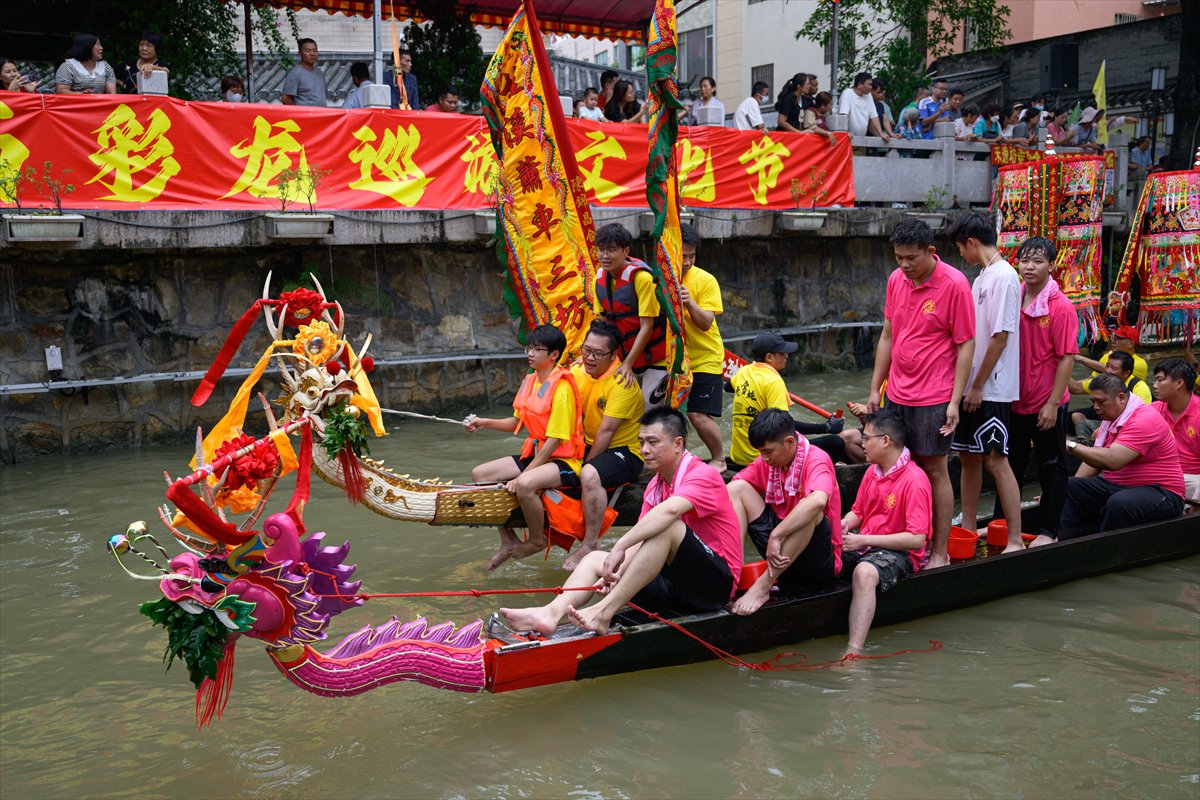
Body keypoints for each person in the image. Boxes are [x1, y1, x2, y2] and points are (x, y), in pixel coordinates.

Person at [499, 408, 741, 636]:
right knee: (595, 559)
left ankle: (603, 613)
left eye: (653, 442)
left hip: (715, 587)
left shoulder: (703, 475)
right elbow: (643, 538)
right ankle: (551, 613)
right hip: (675, 584)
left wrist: (620, 547)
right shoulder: (656, 485)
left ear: (678, 444)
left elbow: (668, 514)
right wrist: (617, 570)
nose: (645, 449)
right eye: (641, 442)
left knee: (669, 526)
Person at [869, 218, 975, 569]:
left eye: (911, 258)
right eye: (898, 257)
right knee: (897, 467)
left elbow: (965, 345)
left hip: (934, 396)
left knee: (934, 469)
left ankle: (940, 552)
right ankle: (909, 542)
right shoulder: (896, 280)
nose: (904, 265)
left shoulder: (954, 285)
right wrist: (874, 388)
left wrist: (955, 401)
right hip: (897, 392)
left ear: (931, 251)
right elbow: (888, 335)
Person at [465, 323, 584, 570]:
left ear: (553, 354)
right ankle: (508, 539)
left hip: (564, 461)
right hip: (538, 454)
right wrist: (484, 422)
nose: (530, 353)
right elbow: (517, 422)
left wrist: (526, 474)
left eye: (537, 349)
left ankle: (537, 540)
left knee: (525, 484)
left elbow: (554, 441)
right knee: (480, 474)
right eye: (529, 348)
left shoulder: (562, 388)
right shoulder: (530, 380)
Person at [947, 211, 1024, 552]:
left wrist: (977, 385)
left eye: (960, 248)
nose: (960, 255)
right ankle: (967, 527)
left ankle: (1015, 538)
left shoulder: (1005, 276)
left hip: (991, 385)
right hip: (972, 383)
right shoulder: (981, 278)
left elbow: (1001, 336)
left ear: (971, 242)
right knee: (968, 457)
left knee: (995, 460)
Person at [1034, 373, 1184, 543]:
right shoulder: (1110, 417)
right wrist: (1059, 493)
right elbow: (1095, 461)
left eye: (1101, 401)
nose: (1096, 407)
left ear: (1121, 398)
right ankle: (1059, 540)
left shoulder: (1144, 419)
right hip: (1117, 487)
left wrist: (1069, 445)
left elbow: (1112, 461)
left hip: (1163, 493)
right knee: (1066, 486)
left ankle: (1102, 547)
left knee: (1120, 503)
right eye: (1093, 402)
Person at [727, 409, 843, 615]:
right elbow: (732, 488)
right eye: (760, 452)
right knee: (735, 489)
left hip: (817, 560)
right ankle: (731, 578)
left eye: (768, 451)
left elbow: (818, 501)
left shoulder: (817, 459)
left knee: (811, 510)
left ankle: (762, 586)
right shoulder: (769, 463)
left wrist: (777, 534)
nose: (763, 458)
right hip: (779, 553)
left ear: (790, 442)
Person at [839, 411, 933, 657]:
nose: (861, 444)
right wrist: (842, 526)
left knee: (864, 572)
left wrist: (862, 539)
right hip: (867, 545)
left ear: (885, 441)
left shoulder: (915, 480)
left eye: (866, 438)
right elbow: (858, 511)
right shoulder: (872, 471)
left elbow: (916, 539)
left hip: (901, 554)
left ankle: (854, 650)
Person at [1007, 236, 1078, 542]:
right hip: (1015, 399)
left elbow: (1066, 358)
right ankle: (1002, 524)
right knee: (1010, 464)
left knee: (1052, 465)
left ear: (1052, 265)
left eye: (1038, 261)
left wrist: (1051, 404)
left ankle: (1050, 529)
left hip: (1048, 401)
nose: (1030, 267)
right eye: (1025, 260)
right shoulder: (1013, 296)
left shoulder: (1060, 306)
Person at [561, 321, 646, 570]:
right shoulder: (578, 371)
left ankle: (590, 542)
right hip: (588, 443)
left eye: (598, 353)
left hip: (625, 452)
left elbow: (606, 432)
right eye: (586, 350)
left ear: (614, 355)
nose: (590, 357)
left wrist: (583, 467)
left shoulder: (622, 383)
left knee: (588, 473)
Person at [592, 223, 669, 409]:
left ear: (625, 251)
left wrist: (627, 364)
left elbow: (646, 327)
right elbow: (602, 324)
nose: (604, 255)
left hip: (655, 357)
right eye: (601, 250)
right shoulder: (599, 278)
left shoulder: (641, 278)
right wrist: (591, 353)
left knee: (650, 408)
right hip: (622, 356)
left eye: (611, 250)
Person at [678, 223, 726, 470]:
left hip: (705, 356)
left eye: (691, 256)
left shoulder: (706, 280)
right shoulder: (660, 277)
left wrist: (688, 302)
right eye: (682, 255)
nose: (687, 261)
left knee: (697, 414)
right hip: (674, 360)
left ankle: (719, 458)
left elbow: (706, 322)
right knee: (669, 414)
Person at [729, 331, 797, 473]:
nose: (786, 356)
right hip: (760, 460)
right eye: (782, 353)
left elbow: (728, 386)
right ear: (769, 357)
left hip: (738, 457)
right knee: (836, 443)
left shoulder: (744, 372)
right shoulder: (773, 381)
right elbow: (783, 427)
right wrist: (825, 427)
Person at [1070, 350, 1154, 442]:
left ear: (1126, 373)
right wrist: (1060, 366)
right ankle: (1087, 447)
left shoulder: (1140, 387)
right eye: (1107, 366)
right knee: (1079, 419)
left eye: (1113, 368)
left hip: (1128, 426)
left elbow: (1141, 418)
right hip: (1108, 419)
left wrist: (1103, 429)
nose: (1108, 370)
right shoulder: (1103, 381)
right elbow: (1076, 388)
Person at [1151, 359, 1200, 506]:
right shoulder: (1152, 410)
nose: (1154, 386)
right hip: (1160, 473)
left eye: (1160, 380)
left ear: (1179, 383)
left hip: (1193, 477)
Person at [1077, 324, 1148, 382]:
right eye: (1114, 337)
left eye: (1119, 338)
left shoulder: (1140, 364)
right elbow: (1092, 379)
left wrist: (1079, 358)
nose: (1113, 341)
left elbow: (1109, 370)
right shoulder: (1108, 355)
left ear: (1131, 344)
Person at [280, 38, 326, 107]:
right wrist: (299, 112)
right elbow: (285, 99)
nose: (312, 54)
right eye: (308, 51)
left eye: (315, 50)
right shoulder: (295, 73)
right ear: (300, 53)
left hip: (322, 115)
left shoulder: (320, 73)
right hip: (305, 116)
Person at [838, 72, 884, 139]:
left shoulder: (868, 96)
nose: (871, 87)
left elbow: (874, 117)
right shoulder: (847, 93)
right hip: (847, 138)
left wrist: (881, 134)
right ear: (859, 85)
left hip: (862, 138)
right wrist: (846, 132)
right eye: (869, 84)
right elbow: (844, 115)